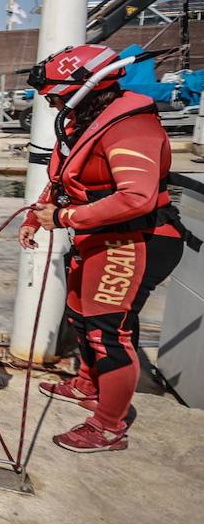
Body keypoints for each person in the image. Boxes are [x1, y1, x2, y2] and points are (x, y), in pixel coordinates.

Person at [19, 44, 192, 453]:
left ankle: (109, 426)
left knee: (108, 332)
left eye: (54, 94)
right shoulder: (83, 123)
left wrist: (63, 220)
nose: (49, 101)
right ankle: (88, 385)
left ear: (84, 88)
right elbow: (64, 179)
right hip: (99, 237)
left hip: (136, 239)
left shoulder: (131, 127)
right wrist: (35, 217)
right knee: (80, 317)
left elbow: (137, 197)